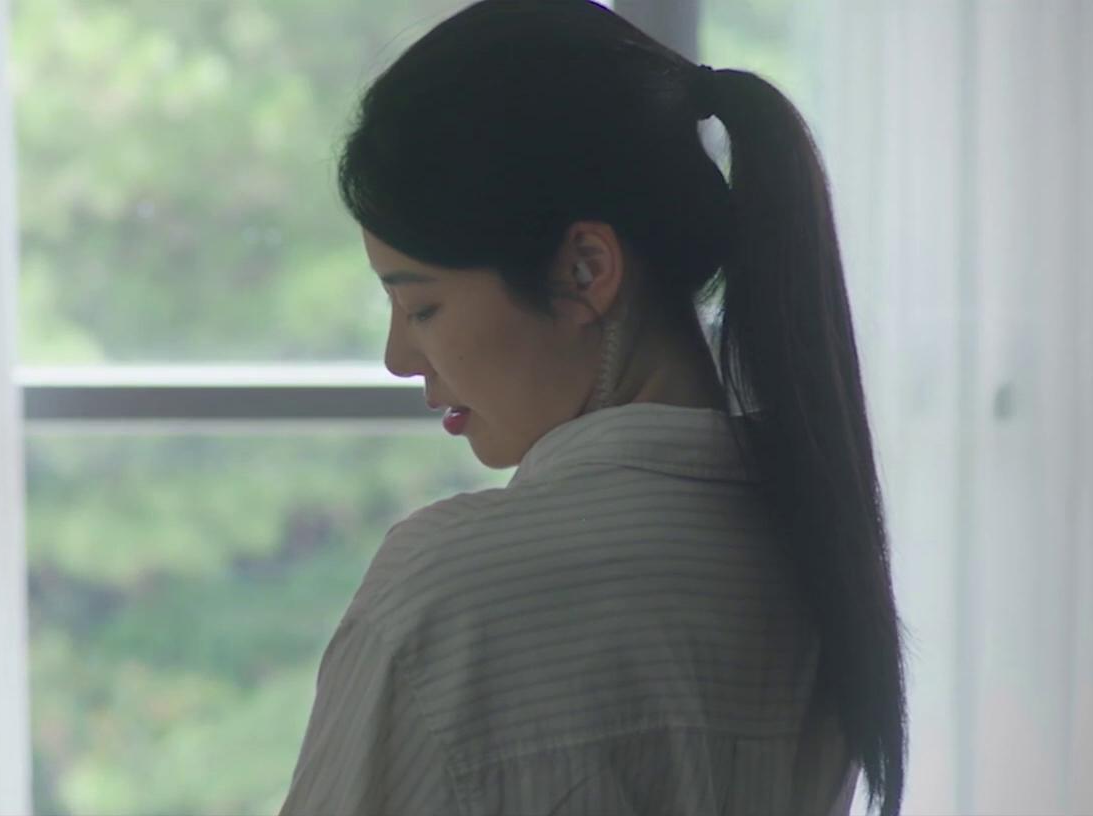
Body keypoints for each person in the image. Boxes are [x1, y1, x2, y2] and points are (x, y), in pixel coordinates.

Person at [280, 1, 905, 814]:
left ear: (585, 270)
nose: (400, 358)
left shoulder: (451, 597)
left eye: (422, 307)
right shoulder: (814, 544)